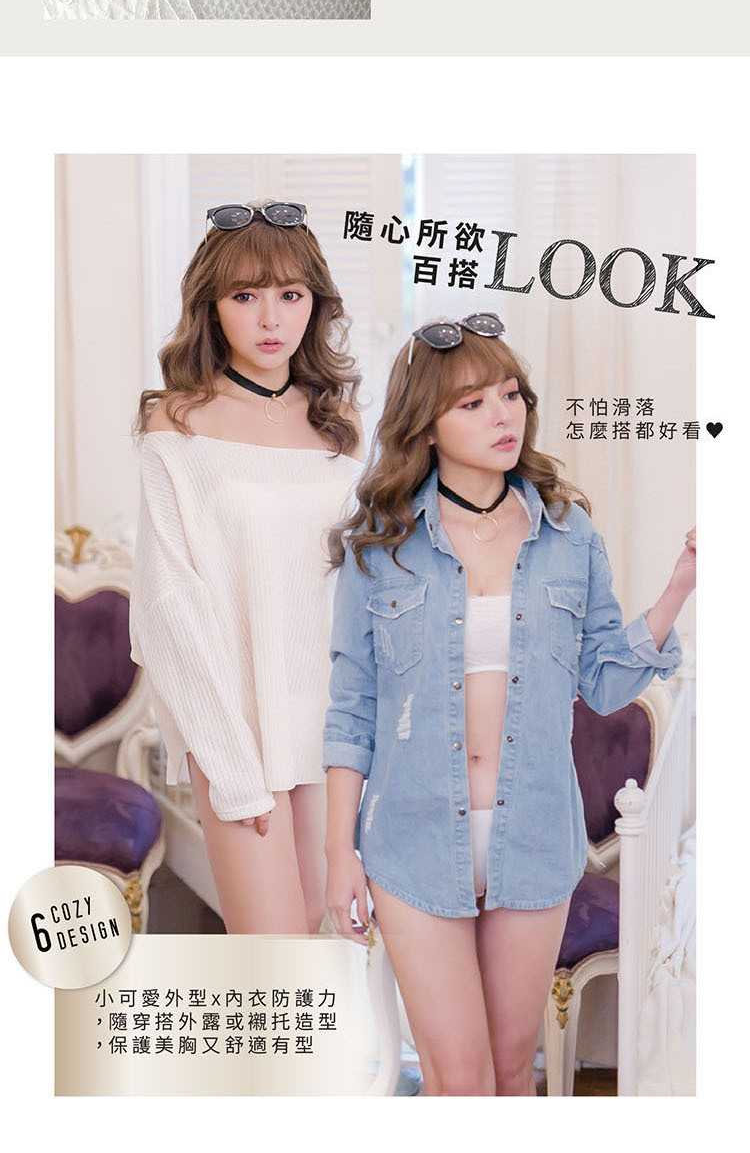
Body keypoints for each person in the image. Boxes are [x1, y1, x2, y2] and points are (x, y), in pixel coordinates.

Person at [324, 311, 696, 1096]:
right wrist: (337, 855)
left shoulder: (567, 534)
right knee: (459, 1081)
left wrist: (678, 589)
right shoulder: (381, 545)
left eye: (511, 394)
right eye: (473, 403)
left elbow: (603, 680)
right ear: (425, 424)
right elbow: (352, 707)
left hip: (533, 834)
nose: (503, 414)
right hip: (413, 836)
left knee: (509, 1074)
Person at [131, 197, 359, 940]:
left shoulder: (339, 426)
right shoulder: (177, 421)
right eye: (245, 296)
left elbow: (357, 582)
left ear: (315, 303)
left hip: (326, 722)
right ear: (212, 306)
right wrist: (228, 762)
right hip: (236, 722)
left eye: (290, 295)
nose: (270, 319)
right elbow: (166, 603)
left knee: (319, 945)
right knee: (271, 952)